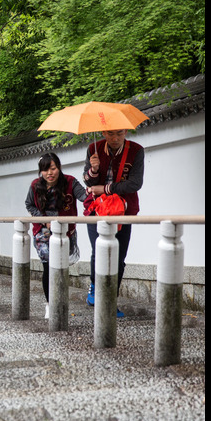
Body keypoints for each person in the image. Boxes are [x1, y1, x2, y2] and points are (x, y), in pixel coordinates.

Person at [83, 129, 144, 314]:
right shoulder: (94, 148)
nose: (115, 138)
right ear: (103, 132)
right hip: (97, 209)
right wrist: (93, 169)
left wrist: (106, 189)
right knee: (98, 251)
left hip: (123, 210)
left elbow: (135, 183)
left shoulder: (136, 150)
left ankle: (110, 301)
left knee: (119, 257)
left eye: (119, 133)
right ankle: (95, 287)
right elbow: (87, 181)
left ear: (125, 131)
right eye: (110, 134)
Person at [25, 153, 86, 318]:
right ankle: (50, 305)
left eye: (53, 168)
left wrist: (93, 178)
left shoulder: (70, 182)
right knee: (48, 266)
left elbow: (84, 197)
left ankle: (59, 301)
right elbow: (29, 204)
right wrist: (43, 220)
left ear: (59, 168)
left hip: (65, 231)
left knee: (61, 267)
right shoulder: (35, 185)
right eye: (45, 170)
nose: (49, 173)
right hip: (43, 232)